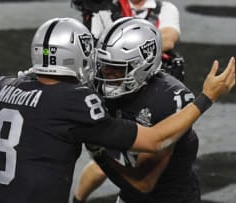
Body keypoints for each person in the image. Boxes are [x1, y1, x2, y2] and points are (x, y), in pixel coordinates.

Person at [0, 17, 235, 203]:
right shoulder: (77, 101)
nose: (101, 74)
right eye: (100, 64)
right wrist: (206, 98)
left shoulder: (1, 88)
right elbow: (148, 143)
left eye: (113, 69)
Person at [73, 17, 203, 203]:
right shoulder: (103, 85)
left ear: (142, 66)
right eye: (103, 64)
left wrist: (98, 151)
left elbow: (143, 184)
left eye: (116, 67)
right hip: (128, 193)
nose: (106, 73)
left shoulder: (168, 100)